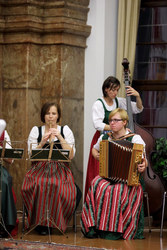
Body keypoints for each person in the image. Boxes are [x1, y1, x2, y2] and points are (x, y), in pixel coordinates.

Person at [81, 108, 147, 240]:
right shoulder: (105, 137)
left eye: (116, 120)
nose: (112, 123)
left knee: (117, 190)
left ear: (124, 122)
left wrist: (143, 165)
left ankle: (116, 230)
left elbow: (143, 159)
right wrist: (98, 156)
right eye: (110, 120)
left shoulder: (135, 139)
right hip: (109, 175)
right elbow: (94, 150)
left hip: (129, 180)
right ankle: (93, 227)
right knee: (96, 183)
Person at [21, 102, 81, 235]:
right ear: (43, 115)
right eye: (48, 113)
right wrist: (42, 142)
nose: (50, 117)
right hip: (39, 167)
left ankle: (56, 221)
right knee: (40, 183)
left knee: (57, 184)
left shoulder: (65, 130)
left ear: (58, 116)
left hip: (60, 168)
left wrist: (59, 136)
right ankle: (40, 223)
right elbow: (31, 156)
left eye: (53, 113)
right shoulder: (36, 130)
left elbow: (70, 155)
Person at [84, 76, 143, 200]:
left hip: (119, 138)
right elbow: (97, 124)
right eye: (112, 90)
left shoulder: (119, 101)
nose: (115, 93)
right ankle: (97, 201)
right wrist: (115, 127)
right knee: (99, 173)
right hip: (103, 138)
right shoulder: (98, 103)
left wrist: (137, 96)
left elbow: (137, 109)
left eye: (117, 90)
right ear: (106, 89)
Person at [0, 129, 17, 238]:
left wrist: (2, 151)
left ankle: (4, 224)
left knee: (4, 180)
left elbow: (10, 159)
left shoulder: (2, 132)